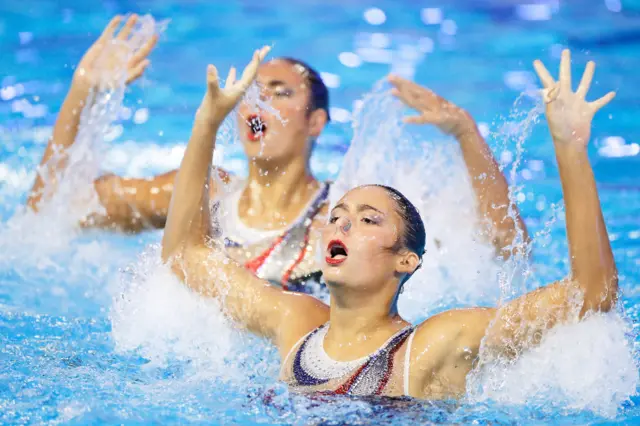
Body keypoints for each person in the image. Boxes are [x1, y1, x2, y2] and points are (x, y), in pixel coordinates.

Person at [161, 47, 618, 399]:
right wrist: (206, 123)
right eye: (336, 217)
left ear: (406, 259)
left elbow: (591, 293)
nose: (340, 226)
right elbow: (184, 256)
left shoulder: (432, 346)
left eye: (366, 219)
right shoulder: (296, 322)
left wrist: (570, 148)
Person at [27, 15, 526, 290]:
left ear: (316, 123)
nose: (257, 102)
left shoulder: (347, 220)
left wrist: (466, 134)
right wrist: (82, 92)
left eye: (280, 92)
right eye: (251, 92)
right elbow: (50, 211)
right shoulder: (204, 192)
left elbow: (504, 248)